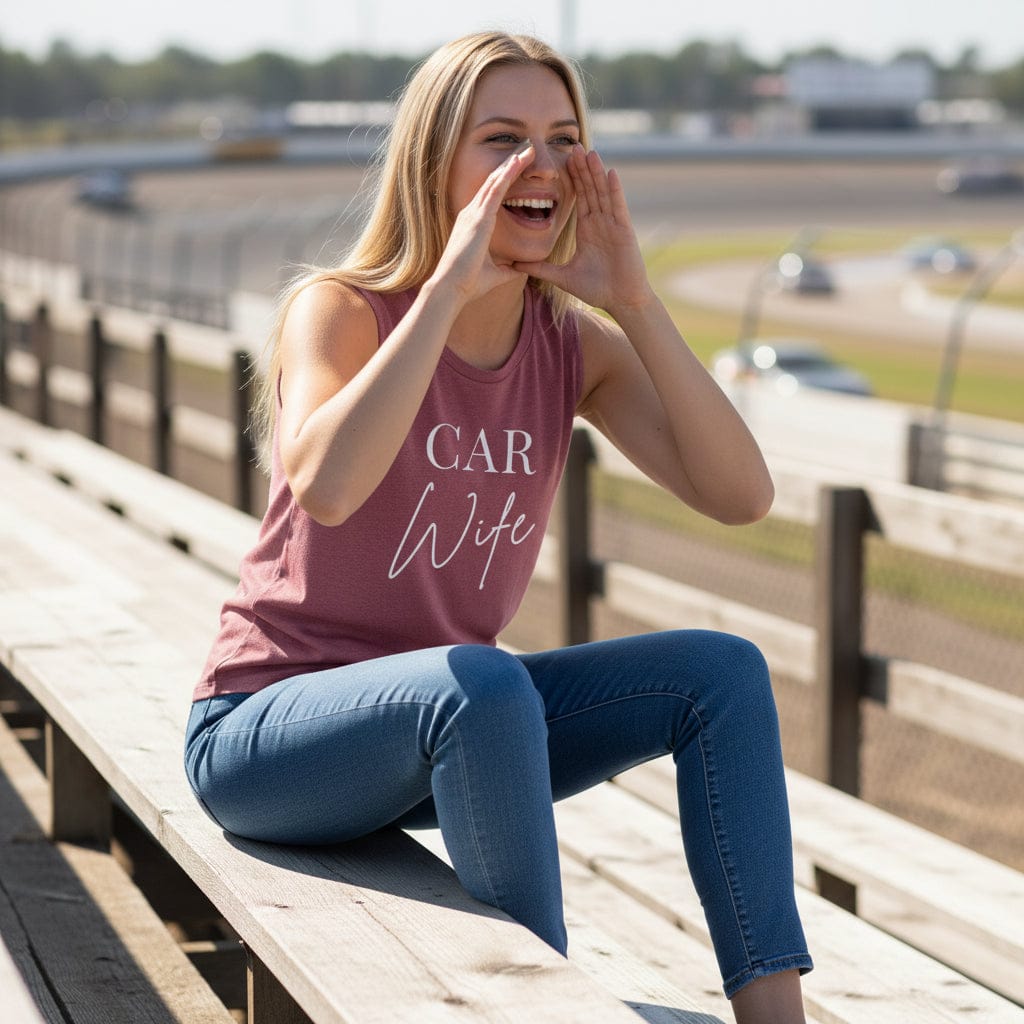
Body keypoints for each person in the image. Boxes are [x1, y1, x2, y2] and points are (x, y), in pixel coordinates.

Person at [183, 30, 812, 1023]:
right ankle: (547, 1008)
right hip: (267, 739)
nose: (542, 165)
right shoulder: (341, 310)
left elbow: (741, 495)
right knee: (484, 677)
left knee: (718, 674)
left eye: (565, 139)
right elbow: (331, 486)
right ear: (435, 164)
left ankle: (774, 1017)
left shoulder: (570, 345)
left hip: (454, 729)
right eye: (503, 138)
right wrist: (445, 290)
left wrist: (636, 305)